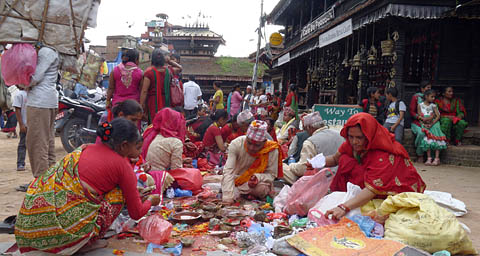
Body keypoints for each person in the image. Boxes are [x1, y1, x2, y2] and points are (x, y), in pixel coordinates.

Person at [15, 118, 160, 254]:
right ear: (124, 145)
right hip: (58, 234)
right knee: (118, 193)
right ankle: (83, 242)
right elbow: (136, 213)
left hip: (28, 228)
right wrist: (151, 201)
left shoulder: (86, 148)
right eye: (137, 147)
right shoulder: (122, 166)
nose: (139, 152)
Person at [320, 113, 426, 220]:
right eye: (350, 137)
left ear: (369, 135)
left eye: (359, 137)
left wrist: (343, 207)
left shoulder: (383, 154)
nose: (354, 142)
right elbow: (335, 159)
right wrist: (315, 162)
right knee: (346, 160)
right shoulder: (354, 144)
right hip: (371, 185)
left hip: (390, 191)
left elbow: (372, 190)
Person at [222, 120, 283, 203]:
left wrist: (258, 177)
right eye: (249, 143)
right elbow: (228, 171)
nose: (251, 148)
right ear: (246, 137)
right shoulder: (236, 144)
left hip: (255, 184)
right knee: (226, 182)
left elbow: (272, 174)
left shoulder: (271, 150)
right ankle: (237, 192)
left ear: (264, 142)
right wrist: (227, 195)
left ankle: (239, 192)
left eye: (257, 145)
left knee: (261, 189)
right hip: (237, 179)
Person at [283, 112, 344, 185]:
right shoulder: (339, 135)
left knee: (282, 167)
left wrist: (291, 165)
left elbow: (302, 169)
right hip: (340, 177)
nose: (306, 132)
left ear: (309, 127)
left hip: (321, 182)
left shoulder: (310, 142)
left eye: (305, 129)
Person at [26, 45, 59, 179]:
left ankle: (41, 181)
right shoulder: (51, 51)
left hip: (39, 102)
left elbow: (35, 77)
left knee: (37, 142)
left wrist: (21, 83)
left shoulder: (46, 52)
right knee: (47, 141)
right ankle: (50, 180)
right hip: (48, 101)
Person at [140, 49, 172, 123]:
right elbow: (180, 68)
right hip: (167, 101)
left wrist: (141, 106)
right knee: (165, 122)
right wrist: (169, 61)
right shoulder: (168, 72)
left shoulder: (149, 73)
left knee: (154, 123)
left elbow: (144, 91)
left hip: (153, 102)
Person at [418, 90, 447, 166]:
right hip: (425, 124)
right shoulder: (420, 105)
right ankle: (429, 158)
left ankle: (437, 158)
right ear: (426, 96)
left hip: (434, 124)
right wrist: (423, 124)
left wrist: (432, 123)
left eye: (434, 97)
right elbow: (419, 117)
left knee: (436, 139)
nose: (433, 98)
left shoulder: (433, 106)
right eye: (432, 96)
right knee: (428, 140)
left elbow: (438, 116)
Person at [409, 81, 432, 162]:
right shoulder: (416, 97)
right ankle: (420, 154)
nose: (429, 89)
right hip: (417, 122)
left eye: (430, 87)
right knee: (421, 134)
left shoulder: (431, 98)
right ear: (422, 89)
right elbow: (412, 111)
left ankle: (432, 157)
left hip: (429, 122)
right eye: (427, 87)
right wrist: (419, 117)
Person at [13, 86, 27, 172]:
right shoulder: (19, 95)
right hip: (25, 124)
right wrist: (21, 124)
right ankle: (20, 163)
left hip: (34, 125)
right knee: (23, 144)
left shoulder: (33, 93)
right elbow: (17, 110)